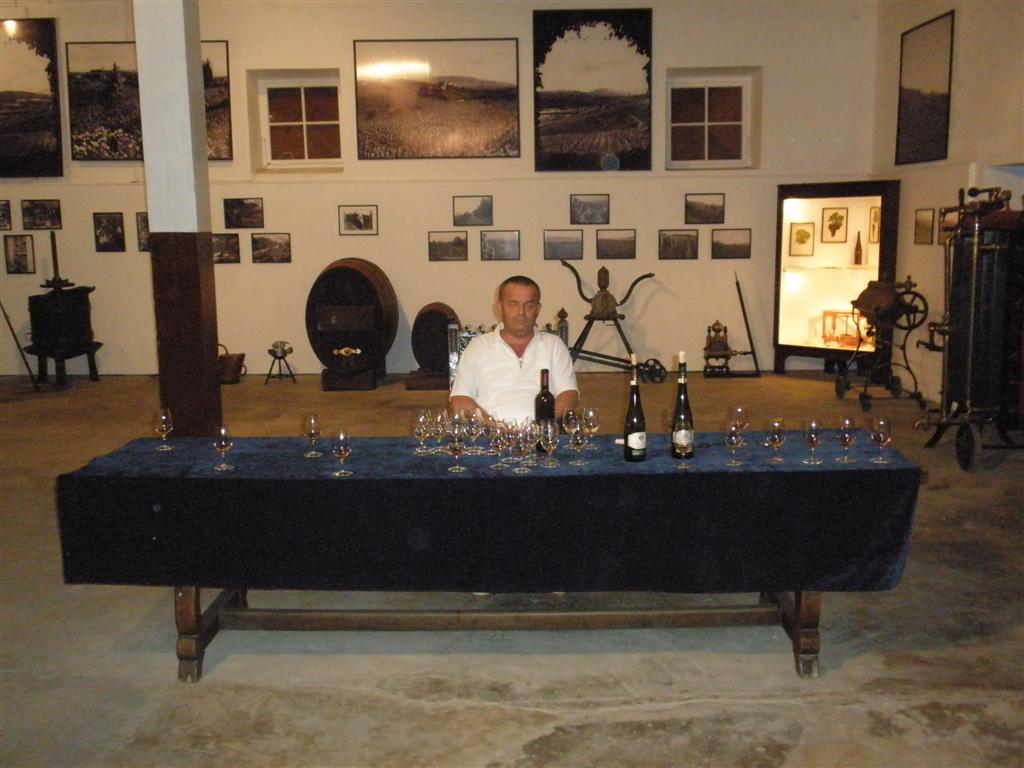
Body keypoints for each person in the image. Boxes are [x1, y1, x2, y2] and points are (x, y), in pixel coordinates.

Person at [450, 275, 578, 422]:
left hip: (542, 431)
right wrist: (492, 425)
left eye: (529, 305)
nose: (521, 312)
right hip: (490, 432)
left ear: (538, 309)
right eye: (513, 304)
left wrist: (541, 425)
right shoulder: (478, 347)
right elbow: (459, 400)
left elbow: (569, 395)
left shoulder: (554, 345)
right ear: (499, 308)